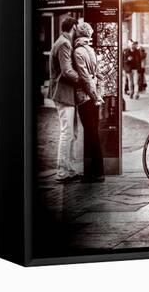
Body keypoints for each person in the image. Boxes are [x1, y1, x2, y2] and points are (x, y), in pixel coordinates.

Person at [48, 16, 80, 182]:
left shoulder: (62, 42)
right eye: (77, 27)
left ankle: (70, 170)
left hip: (66, 94)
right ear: (73, 27)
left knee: (72, 133)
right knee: (67, 132)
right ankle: (62, 172)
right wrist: (82, 79)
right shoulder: (64, 44)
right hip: (63, 93)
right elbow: (67, 71)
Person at [73, 22, 105, 183]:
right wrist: (99, 94)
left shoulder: (78, 51)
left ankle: (97, 172)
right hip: (93, 98)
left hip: (85, 98)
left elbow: (85, 78)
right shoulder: (90, 50)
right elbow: (98, 75)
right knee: (94, 133)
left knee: (91, 134)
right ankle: (96, 171)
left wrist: (94, 95)